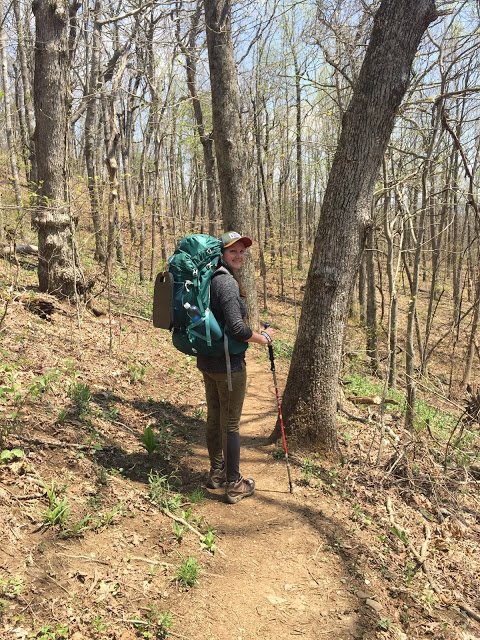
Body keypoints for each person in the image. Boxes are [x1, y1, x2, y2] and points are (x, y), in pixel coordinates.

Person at [196, 231, 274, 504]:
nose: (239, 256)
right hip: (228, 365)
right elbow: (238, 329)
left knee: (215, 417)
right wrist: (263, 338)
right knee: (230, 424)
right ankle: (233, 483)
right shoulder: (226, 284)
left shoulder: (209, 278)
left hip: (208, 361)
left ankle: (216, 472)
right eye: (233, 251)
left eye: (242, 251)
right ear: (222, 253)